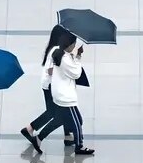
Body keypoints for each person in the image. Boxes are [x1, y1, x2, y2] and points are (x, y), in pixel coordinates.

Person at [19, 25, 77, 153]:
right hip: (52, 86)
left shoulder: (56, 48)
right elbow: (51, 70)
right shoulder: (56, 50)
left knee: (54, 112)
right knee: (62, 114)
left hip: (49, 85)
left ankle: (30, 129)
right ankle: (38, 134)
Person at [49, 40, 94, 156]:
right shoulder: (64, 59)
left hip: (63, 94)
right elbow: (76, 73)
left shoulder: (64, 55)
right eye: (73, 44)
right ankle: (79, 146)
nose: (74, 46)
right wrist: (78, 58)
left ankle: (71, 139)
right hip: (65, 96)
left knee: (77, 120)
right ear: (68, 45)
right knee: (76, 123)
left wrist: (77, 55)